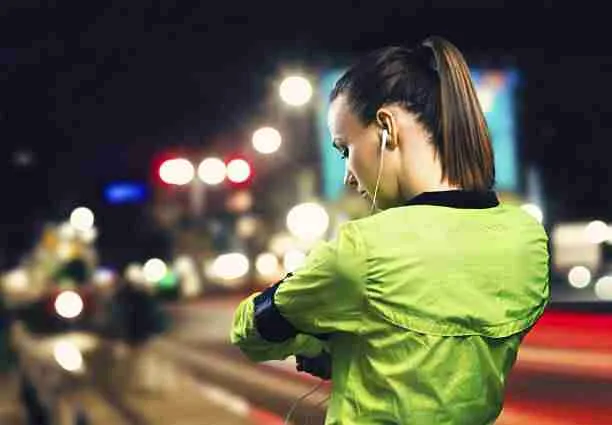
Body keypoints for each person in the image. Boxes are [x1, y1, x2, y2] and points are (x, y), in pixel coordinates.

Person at [231, 36, 549, 424]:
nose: (348, 175)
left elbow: (251, 331)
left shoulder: (362, 249)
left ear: (386, 127)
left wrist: (323, 343)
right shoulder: (527, 240)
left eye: (345, 148)